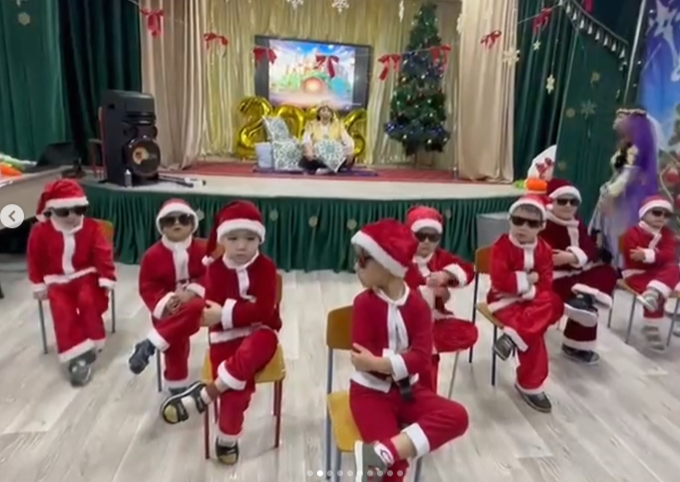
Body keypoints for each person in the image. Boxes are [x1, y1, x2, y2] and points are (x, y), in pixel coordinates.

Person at [158, 200, 280, 466]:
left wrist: (226, 312)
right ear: (222, 238)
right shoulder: (214, 269)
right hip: (224, 338)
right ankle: (227, 439)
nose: (241, 246)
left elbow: (263, 311)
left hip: (262, 333)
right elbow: (210, 314)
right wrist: (240, 311)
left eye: (250, 239)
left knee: (261, 341)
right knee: (237, 391)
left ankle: (206, 394)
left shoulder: (266, 268)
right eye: (233, 238)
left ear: (259, 239)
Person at [349, 219, 469, 482]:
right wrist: (401, 359)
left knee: (458, 416)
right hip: (369, 394)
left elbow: (422, 359)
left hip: (408, 391)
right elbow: (360, 360)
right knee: (395, 472)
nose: (356, 266)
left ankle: (384, 452)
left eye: (363, 260)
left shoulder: (418, 306)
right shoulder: (363, 304)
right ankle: (390, 454)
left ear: (387, 265)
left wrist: (379, 362)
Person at [26, 179, 116, 386]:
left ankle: (92, 339)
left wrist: (106, 277)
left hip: (86, 274)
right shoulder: (40, 231)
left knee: (88, 300)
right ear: (52, 210)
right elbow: (34, 260)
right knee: (61, 308)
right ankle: (77, 355)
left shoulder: (91, 227)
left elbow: (103, 254)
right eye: (64, 211)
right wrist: (38, 283)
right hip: (55, 279)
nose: (73, 216)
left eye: (79, 209)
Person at [487, 195, 564, 413]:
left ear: (541, 226)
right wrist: (529, 279)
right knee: (534, 334)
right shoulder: (502, 246)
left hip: (534, 302)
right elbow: (500, 281)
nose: (523, 227)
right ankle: (529, 385)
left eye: (531, 223)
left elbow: (546, 282)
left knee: (553, 301)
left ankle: (512, 338)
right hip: (504, 301)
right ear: (510, 220)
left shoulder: (545, 249)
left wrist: (530, 287)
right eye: (518, 220)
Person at [128, 199, 206, 392]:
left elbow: (213, 275)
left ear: (192, 224)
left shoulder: (203, 250)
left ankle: (150, 344)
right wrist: (166, 302)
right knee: (176, 338)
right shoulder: (152, 256)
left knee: (195, 306)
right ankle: (177, 385)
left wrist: (192, 291)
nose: (177, 223)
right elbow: (148, 286)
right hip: (168, 307)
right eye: (170, 221)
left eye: (183, 219)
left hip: (199, 300)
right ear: (162, 227)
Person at [540, 179, 618, 364]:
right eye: (562, 201)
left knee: (607, 272)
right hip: (553, 279)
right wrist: (576, 257)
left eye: (573, 202)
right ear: (552, 201)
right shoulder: (543, 224)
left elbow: (591, 248)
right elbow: (544, 255)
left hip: (576, 275)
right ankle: (576, 343)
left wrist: (573, 257)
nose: (568, 205)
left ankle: (582, 304)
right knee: (586, 304)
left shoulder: (577, 223)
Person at [404, 205, 478, 392]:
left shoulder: (439, 257)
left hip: (433, 322)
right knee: (421, 355)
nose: (426, 242)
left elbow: (467, 270)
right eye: (420, 235)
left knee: (464, 333)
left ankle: (426, 397)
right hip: (402, 323)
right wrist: (425, 293)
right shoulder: (398, 258)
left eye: (433, 237)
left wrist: (447, 276)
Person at [589, 108, 659, 264]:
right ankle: (613, 262)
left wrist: (610, 194)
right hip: (616, 191)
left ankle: (622, 265)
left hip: (626, 196)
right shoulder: (625, 146)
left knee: (620, 230)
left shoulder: (635, 150)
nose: (618, 122)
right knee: (610, 230)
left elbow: (627, 176)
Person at [621, 196, 680, 351]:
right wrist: (655, 256)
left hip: (659, 274)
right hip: (637, 273)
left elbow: (669, 255)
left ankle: (652, 294)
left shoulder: (667, 234)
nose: (661, 217)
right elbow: (634, 257)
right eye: (657, 212)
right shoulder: (633, 232)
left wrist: (648, 255)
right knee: (663, 284)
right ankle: (651, 326)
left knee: (674, 270)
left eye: (666, 215)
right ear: (644, 213)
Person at [300, 102, 355, 174]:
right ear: (318, 113)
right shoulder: (311, 124)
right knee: (304, 160)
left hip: (335, 157)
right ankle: (331, 169)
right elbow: (306, 139)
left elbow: (347, 139)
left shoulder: (338, 125)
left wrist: (350, 150)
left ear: (332, 114)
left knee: (351, 158)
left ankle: (327, 169)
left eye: (329, 111)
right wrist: (309, 151)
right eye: (323, 110)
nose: (326, 113)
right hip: (317, 156)